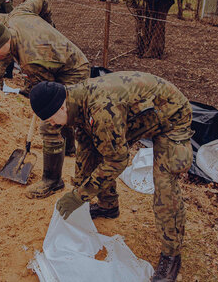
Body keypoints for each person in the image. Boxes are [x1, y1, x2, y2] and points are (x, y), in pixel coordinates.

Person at [29, 72, 194, 282]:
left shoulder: (100, 110)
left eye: (51, 119)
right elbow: (86, 153)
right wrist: (78, 190)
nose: (52, 124)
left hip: (171, 116)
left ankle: (171, 255)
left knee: (164, 184)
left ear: (61, 107)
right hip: (140, 116)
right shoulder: (74, 102)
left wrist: (80, 195)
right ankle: (108, 206)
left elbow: (117, 160)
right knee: (96, 151)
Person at [0, 0, 90, 198]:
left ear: (3, 41)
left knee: (50, 121)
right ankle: (69, 148)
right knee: (61, 113)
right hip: (61, 59)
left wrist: (49, 32)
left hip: (74, 70)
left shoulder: (31, 60)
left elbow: (46, 94)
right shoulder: (16, 15)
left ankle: (53, 180)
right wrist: (50, 27)